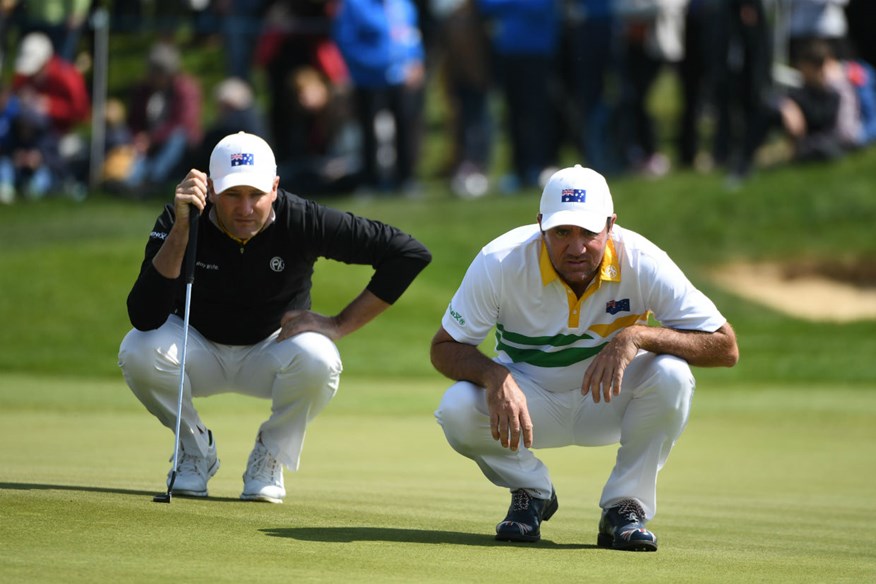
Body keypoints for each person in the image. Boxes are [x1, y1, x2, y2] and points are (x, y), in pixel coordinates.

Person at [431, 164, 738, 550]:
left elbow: (725, 346)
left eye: (589, 233)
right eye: (561, 232)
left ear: (611, 225)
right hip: (529, 406)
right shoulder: (500, 261)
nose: (575, 247)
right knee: (456, 407)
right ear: (540, 224)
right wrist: (496, 377)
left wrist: (638, 335)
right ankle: (531, 492)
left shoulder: (643, 259)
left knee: (672, 374)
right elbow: (444, 347)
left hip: (610, 402)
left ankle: (625, 508)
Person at [118, 131, 432, 502]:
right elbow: (145, 314)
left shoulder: (301, 219)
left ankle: (269, 454)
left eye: (256, 194)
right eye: (233, 194)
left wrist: (339, 324)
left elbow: (408, 254)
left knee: (321, 357)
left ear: (275, 187)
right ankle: (194, 450)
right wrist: (183, 230)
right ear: (212, 190)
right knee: (137, 348)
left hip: (270, 351)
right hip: (196, 347)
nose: (245, 208)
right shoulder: (182, 217)